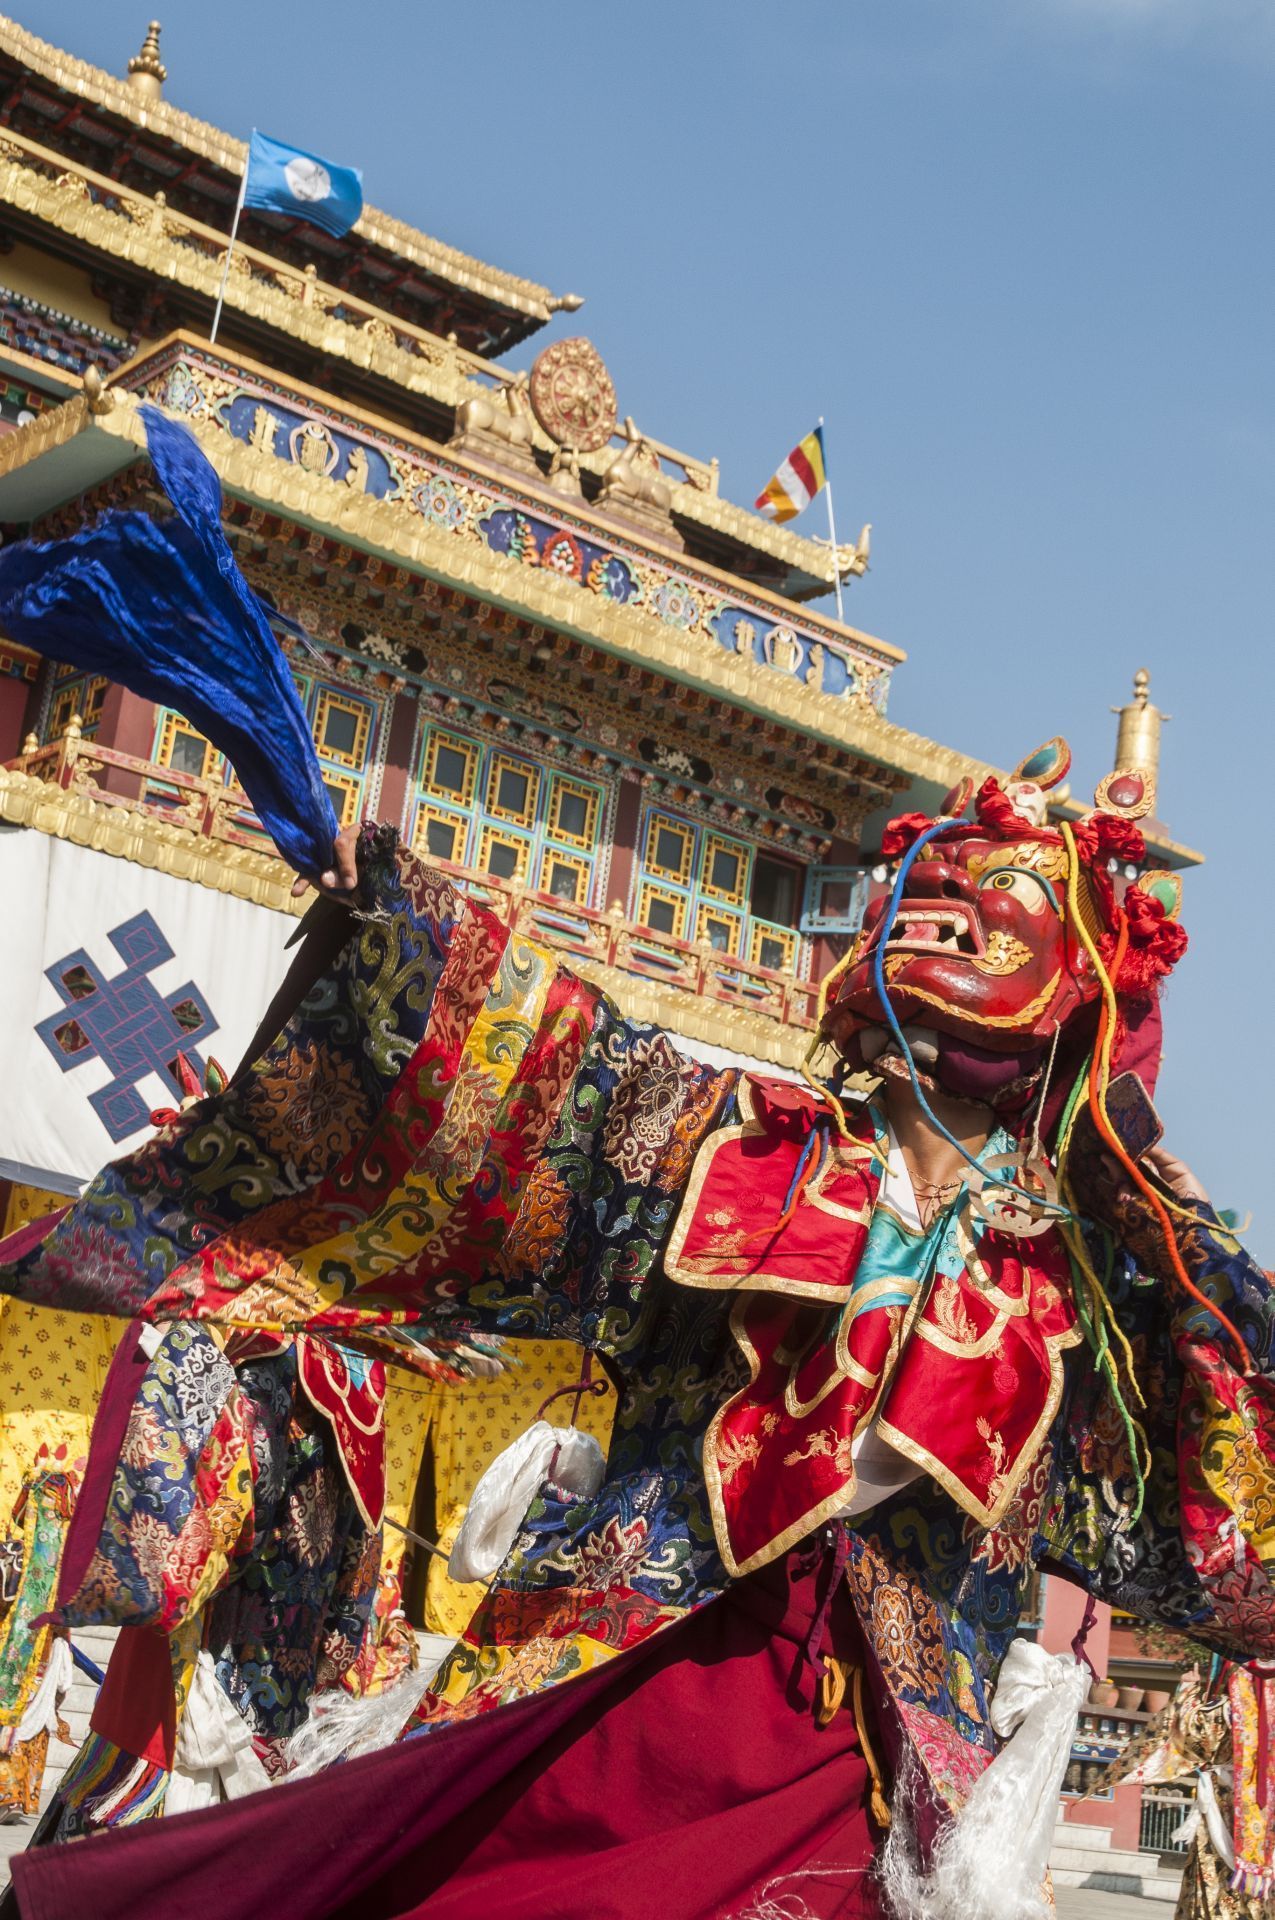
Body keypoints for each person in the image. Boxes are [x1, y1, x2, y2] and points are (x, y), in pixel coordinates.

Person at [0, 418, 1271, 1920]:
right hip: (633, 1675)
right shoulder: (744, 1148)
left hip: (874, 1747)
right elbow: (559, 1072)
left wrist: (1155, 1219)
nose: (946, 919)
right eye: (929, 892)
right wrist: (388, 911)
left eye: (998, 909)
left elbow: (1215, 1517)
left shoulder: (1105, 1295)